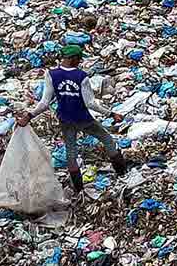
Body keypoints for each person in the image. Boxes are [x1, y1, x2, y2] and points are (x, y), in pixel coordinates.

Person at [16, 43, 130, 191]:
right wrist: (111, 114)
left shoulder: (51, 74)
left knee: (71, 153)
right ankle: (122, 173)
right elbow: (90, 103)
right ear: (73, 58)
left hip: (65, 119)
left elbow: (44, 103)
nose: (80, 62)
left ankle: (78, 189)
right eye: (79, 58)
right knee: (107, 139)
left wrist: (29, 116)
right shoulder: (81, 76)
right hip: (84, 119)